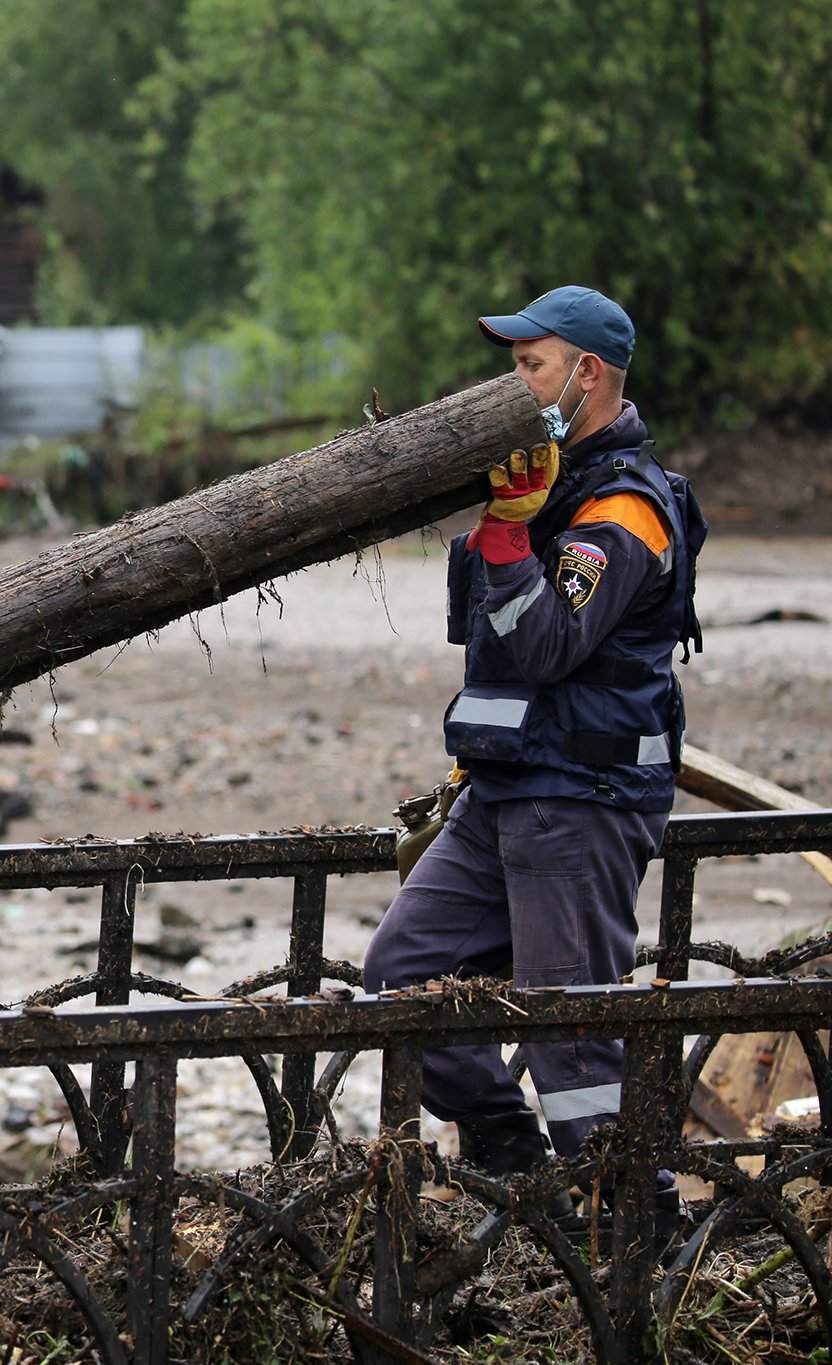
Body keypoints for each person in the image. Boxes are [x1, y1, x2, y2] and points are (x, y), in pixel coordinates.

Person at [363, 287, 704, 1202]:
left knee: (572, 1035)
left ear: (585, 374)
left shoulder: (627, 510)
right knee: (401, 975)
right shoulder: (548, 480)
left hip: (582, 801)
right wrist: (506, 519)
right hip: (503, 787)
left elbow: (551, 642)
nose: (512, 386)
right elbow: (477, 632)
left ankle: (631, 1226)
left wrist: (511, 530)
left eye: (530, 367)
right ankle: (507, 1146)